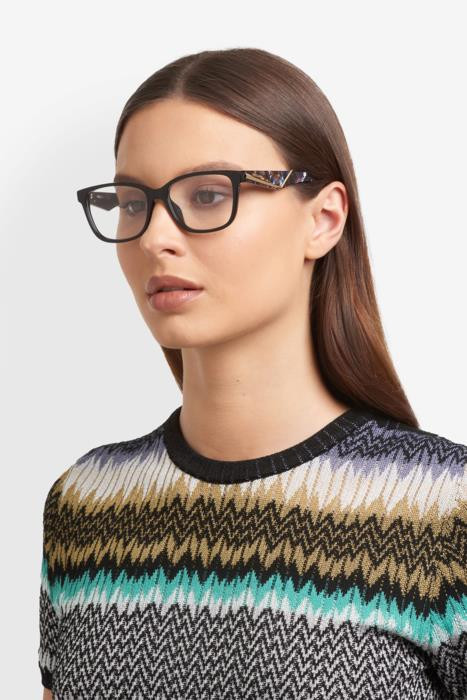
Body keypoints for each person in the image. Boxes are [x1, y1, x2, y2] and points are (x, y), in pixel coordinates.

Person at [39, 47, 466, 700]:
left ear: (323, 219)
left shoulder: (442, 513)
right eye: (131, 202)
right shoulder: (85, 505)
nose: (153, 237)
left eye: (209, 195)